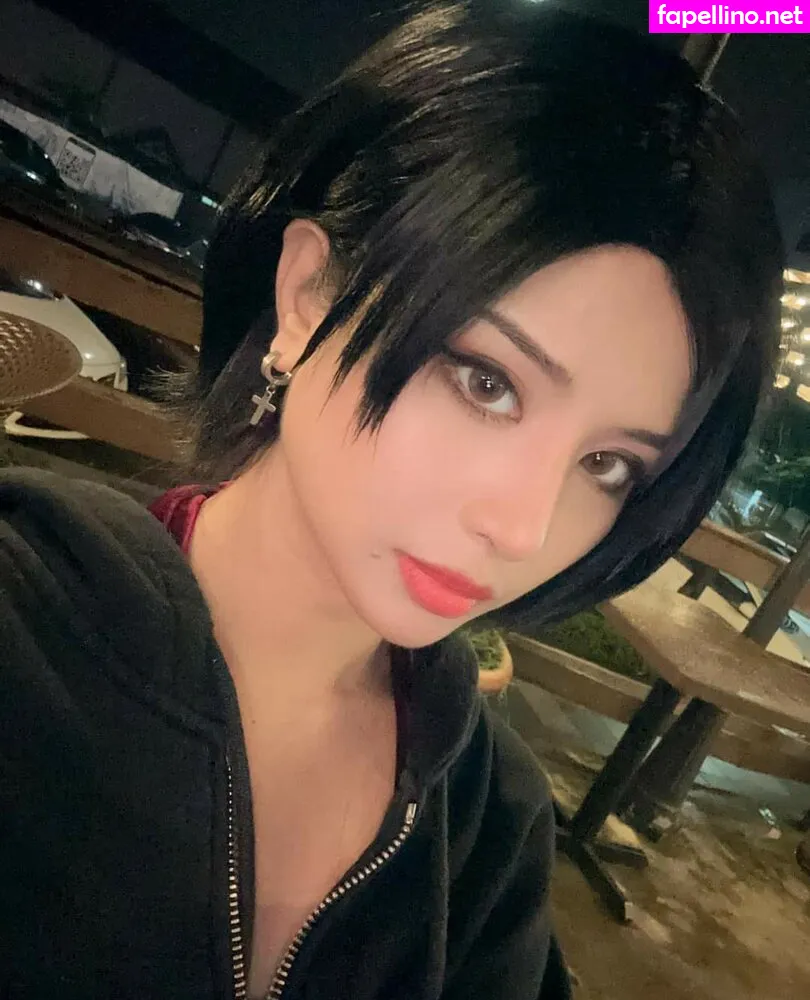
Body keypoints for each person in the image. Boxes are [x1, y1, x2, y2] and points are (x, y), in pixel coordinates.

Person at [0, 3, 783, 998]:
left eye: (608, 465)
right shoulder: (28, 632)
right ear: (304, 295)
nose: (523, 527)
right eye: (487, 382)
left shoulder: (489, 830)